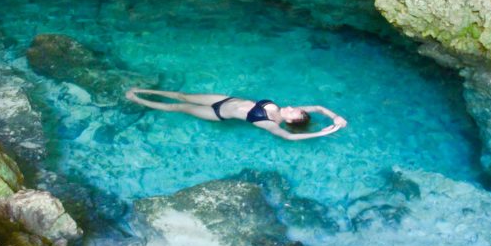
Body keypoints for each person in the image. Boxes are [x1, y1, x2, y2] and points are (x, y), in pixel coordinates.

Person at [125, 88, 347, 141]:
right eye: (296, 108)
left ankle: (136, 99)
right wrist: (335, 117)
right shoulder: (281, 110)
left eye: (293, 111)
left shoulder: (269, 124)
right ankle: (144, 90)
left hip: (218, 114)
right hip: (223, 99)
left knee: (178, 108)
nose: (292, 106)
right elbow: (317, 108)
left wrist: (321, 133)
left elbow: (290, 137)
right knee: (181, 95)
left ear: (290, 120)